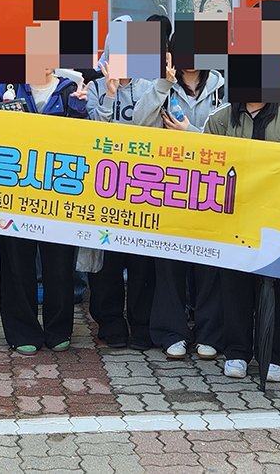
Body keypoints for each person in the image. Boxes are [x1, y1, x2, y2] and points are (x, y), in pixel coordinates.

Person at [135, 15, 227, 361]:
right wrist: (162, 84)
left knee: (209, 264)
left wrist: (190, 132)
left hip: (210, 187)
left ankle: (209, 332)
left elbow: (227, 138)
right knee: (169, 263)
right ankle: (171, 331)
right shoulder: (159, 85)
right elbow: (139, 125)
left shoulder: (221, 88)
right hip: (168, 185)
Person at [206, 97, 280, 382]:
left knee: (273, 287)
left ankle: (276, 355)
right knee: (234, 286)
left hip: (275, 219)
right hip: (233, 217)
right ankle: (236, 352)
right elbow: (207, 161)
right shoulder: (220, 117)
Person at [0, 67, 88, 354]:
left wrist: (79, 110)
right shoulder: (7, 88)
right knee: (16, 263)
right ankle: (22, 331)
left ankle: (59, 330)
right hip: (15, 191)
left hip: (60, 193)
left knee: (59, 264)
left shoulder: (70, 90)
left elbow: (86, 140)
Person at [85, 38, 157, 350]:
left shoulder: (150, 87)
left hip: (143, 185)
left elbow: (153, 127)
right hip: (103, 186)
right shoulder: (94, 87)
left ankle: (142, 323)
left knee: (142, 261)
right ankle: (110, 321)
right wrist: (110, 94)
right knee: (107, 260)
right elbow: (91, 130)